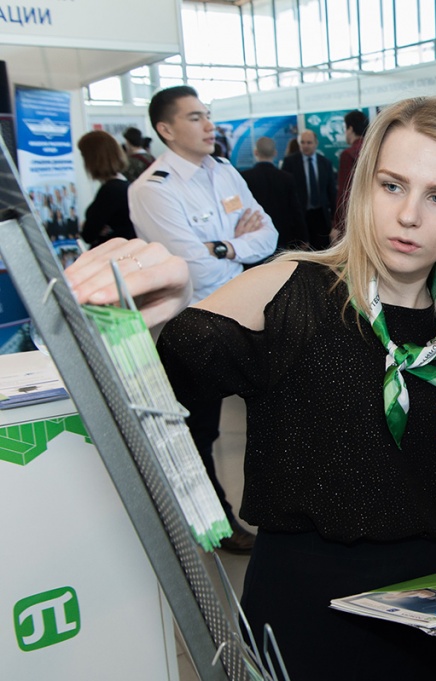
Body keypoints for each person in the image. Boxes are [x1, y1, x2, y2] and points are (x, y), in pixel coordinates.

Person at [66, 96, 436, 680]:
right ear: (363, 185)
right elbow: (148, 387)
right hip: (303, 617)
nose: (408, 216)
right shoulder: (288, 293)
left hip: (428, 618)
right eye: (392, 185)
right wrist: (145, 317)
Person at [130, 85, 279, 554]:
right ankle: (216, 524)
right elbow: (194, 269)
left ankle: (277, 513)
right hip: (191, 328)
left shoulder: (225, 171)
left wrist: (224, 247)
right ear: (166, 129)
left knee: (278, 410)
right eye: (195, 118)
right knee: (200, 432)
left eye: (208, 115)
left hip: (246, 316)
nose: (209, 125)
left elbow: (268, 236)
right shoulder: (154, 190)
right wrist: (234, 248)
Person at [241, 136, 309, 253]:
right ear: (275, 153)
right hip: (283, 235)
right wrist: (303, 237)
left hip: (255, 236)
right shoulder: (286, 178)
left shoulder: (245, 177)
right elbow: (295, 210)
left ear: (256, 152)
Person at [77, 130, 135, 248]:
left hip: (113, 256)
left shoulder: (110, 190)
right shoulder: (123, 184)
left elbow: (88, 234)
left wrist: (89, 227)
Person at [282, 129, 336, 250]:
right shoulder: (290, 162)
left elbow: (331, 191)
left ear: (316, 143)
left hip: (320, 214)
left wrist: (335, 218)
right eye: (302, 142)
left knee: (322, 250)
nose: (305, 146)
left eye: (309, 142)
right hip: (300, 215)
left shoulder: (325, 163)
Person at [331, 109, 369, 242]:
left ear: (350, 128)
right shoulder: (374, 150)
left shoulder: (348, 154)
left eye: (345, 128)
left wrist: (337, 225)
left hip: (353, 218)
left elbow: (344, 193)